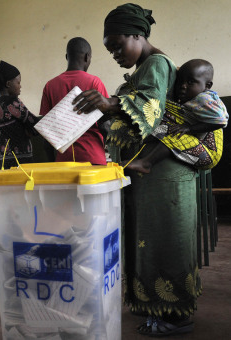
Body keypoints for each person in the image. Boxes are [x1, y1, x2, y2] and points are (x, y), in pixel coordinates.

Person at [73, 3, 200, 337]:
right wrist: (101, 111)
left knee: (165, 241)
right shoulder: (144, 68)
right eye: (109, 48)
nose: (115, 53)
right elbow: (129, 117)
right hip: (148, 177)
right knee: (148, 240)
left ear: (138, 35)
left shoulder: (156, 64)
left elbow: (150, 112)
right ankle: (155, 306)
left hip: (164, 178)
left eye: (118, 45)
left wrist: (110, 103)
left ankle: (175, 316)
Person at [121, 59, 229, 173]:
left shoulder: (204, 98)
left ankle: (146, 163)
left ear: (208, 85)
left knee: (170, 131)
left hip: (208, 153)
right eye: (180, 82)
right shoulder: (193, 97)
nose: (183, 86)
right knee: (163, 118)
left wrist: (189, 129)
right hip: (199, 144)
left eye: (190, 82)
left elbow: (220, 122)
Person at [39, 37, 109, 165]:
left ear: (67, 57)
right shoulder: (94, 82)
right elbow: (106, 124)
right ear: (87, 57)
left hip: (63, 161)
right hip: (92, 156)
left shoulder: (50, 86)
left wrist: (52, 163)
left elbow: (46, 133)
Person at [0, 60, 39, 169]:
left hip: (2, 162)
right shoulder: (12, 102)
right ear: (8, 84)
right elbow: (36, 125)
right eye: (18, 82)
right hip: (19, 164)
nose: (20, 86)